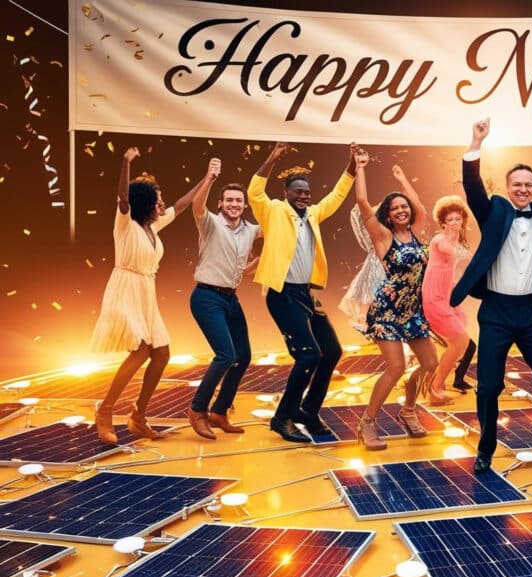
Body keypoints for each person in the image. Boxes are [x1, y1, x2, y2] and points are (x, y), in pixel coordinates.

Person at [451, 118, 532, 474]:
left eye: (528, 185)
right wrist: (476, 141)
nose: (523, 189)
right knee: (488, 387)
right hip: (495, 313)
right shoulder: (494, 211)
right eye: (517, 185)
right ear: (508, 188)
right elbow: (473, 186)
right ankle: (486, 447)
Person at [90, 147, 219, 444]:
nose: (162, 203)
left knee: (161, 354)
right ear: (146, 202)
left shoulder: (153, 227)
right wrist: (125, 162)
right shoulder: (125, 224)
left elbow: (183, 205)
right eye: (158, 199)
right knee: (140, 350)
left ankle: (138, 414)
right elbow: (123, 198)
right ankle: (105, 409)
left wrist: (207, 178)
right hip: (125, 289)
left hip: (145, 292)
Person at [248, 142, 359, 443]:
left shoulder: (312, 214)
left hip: (306, 294)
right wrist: (271, 158)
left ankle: (307, 411)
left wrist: (352, 164)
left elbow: (337, 195)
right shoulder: (273, 211)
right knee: (309, 355)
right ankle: (282, 417)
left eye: (307, 193)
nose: (304, 196)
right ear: (287, 193)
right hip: (282, 293)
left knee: (332, 351)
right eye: (298, 191)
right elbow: (254, 193)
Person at [354, 162, 441, 450]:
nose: (402, 210)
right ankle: (367, 422)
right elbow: (363, 203)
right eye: (395, 209)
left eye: (404, 206)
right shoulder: (384, 237)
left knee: (431, 363)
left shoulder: (416, 232)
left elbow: (422, 209)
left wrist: (403, 179)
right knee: (396, 367)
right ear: (388, 217)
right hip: (388, 310)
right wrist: (360, 167)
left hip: (412, 311)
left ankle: (407, 410)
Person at [185, 181, 261, 440]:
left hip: (231, 298)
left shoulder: (250, 230)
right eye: (229, 200)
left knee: (243, 356)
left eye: (238, 201)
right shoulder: (210, 223)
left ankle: (219, 411)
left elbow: (277, 230)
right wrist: (210, 177)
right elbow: (197, 205)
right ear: (220, 203)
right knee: (225, 355)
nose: (234, 204)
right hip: (206, 296)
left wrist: (256, 264)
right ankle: (197, 410)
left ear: (245, 205)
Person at [423, 195, 477, 396]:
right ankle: (436, 385)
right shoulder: (439, 240)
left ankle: (438, 382)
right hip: (434, 297)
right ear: (443, 223)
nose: (455, 223)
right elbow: (447, 250)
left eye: (458, 218)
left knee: (462, 343)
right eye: (450, 220)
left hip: (446, 297)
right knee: (459, 340)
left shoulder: (456, 241)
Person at [338, 205, 386, 333]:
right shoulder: (374, 239)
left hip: (386, 266)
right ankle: (364, 319)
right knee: (369, 292)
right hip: (376, 266)